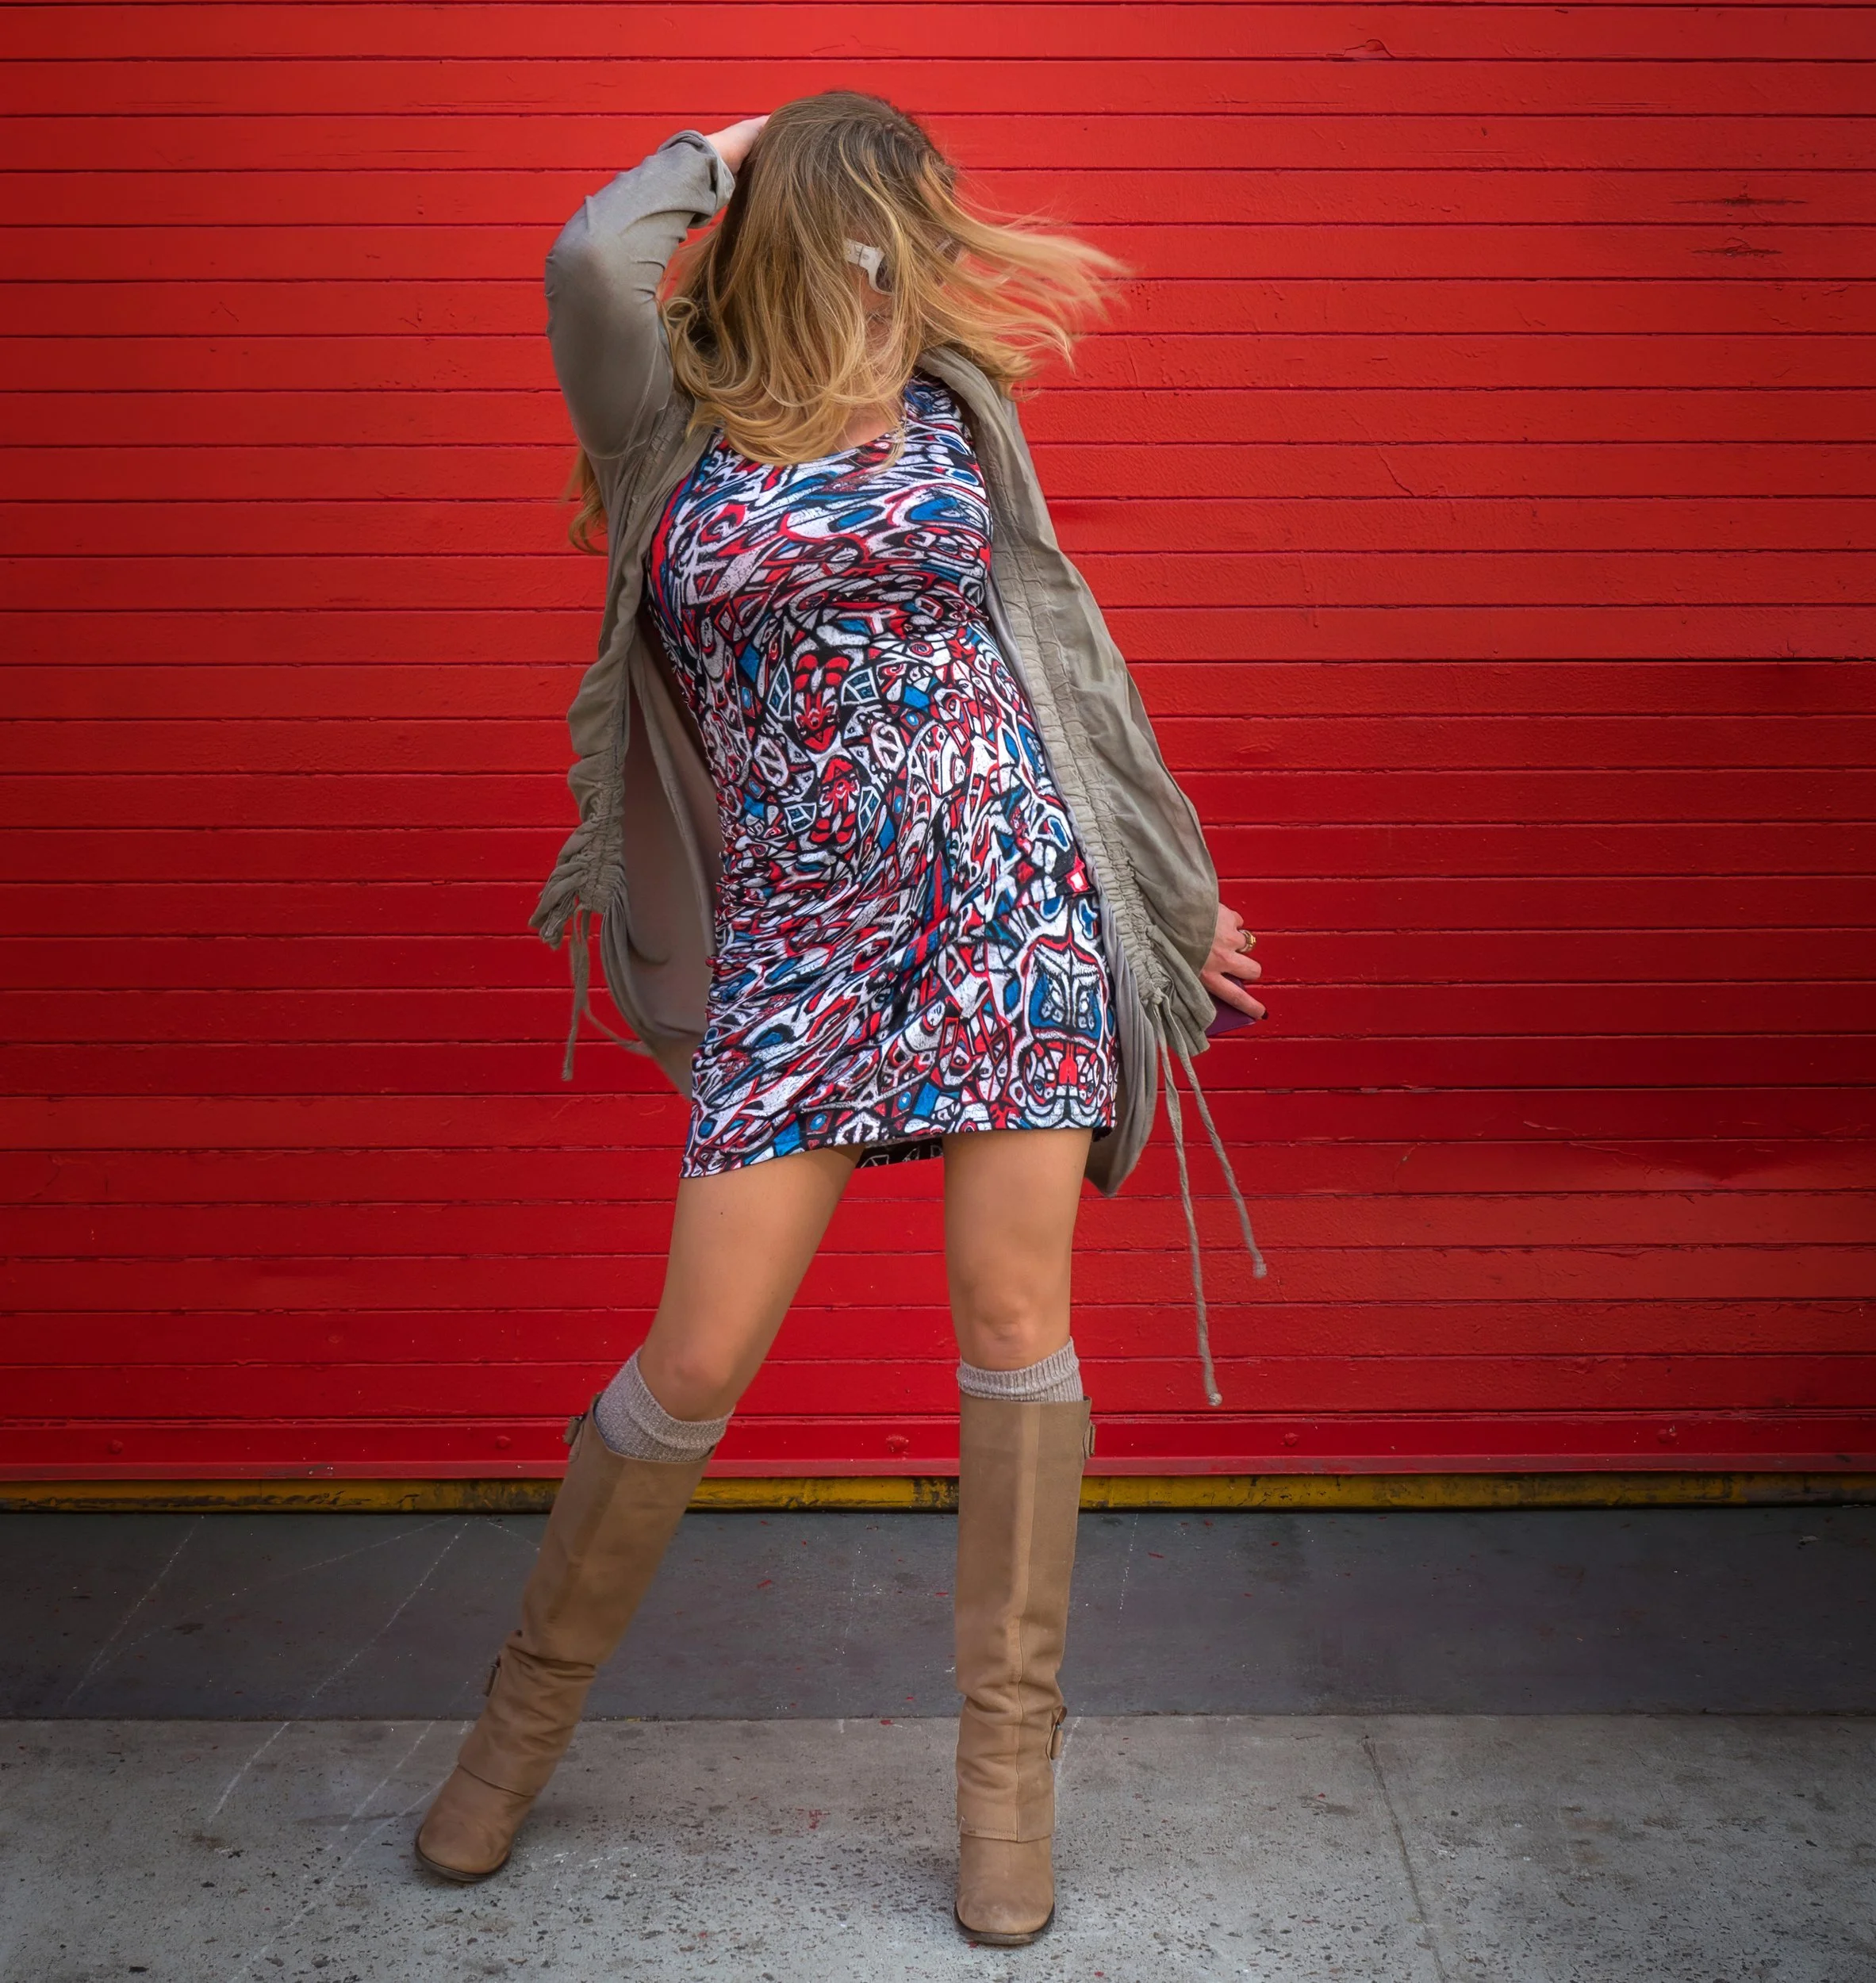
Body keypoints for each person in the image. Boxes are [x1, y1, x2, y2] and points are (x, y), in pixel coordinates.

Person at [413, 90, 1265, 1947]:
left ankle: (1001, 1793)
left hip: (1006, 899)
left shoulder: (961, 408)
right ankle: (507, 1738)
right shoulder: (667, 412)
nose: (912, 260)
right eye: (882, 222)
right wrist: (719, 151)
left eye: (924, 228)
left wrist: (1158, 911)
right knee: (696, 1358)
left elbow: (1065, 667)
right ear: (815, 220)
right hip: (798, 938)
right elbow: (585, 259)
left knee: (1010, 1317)